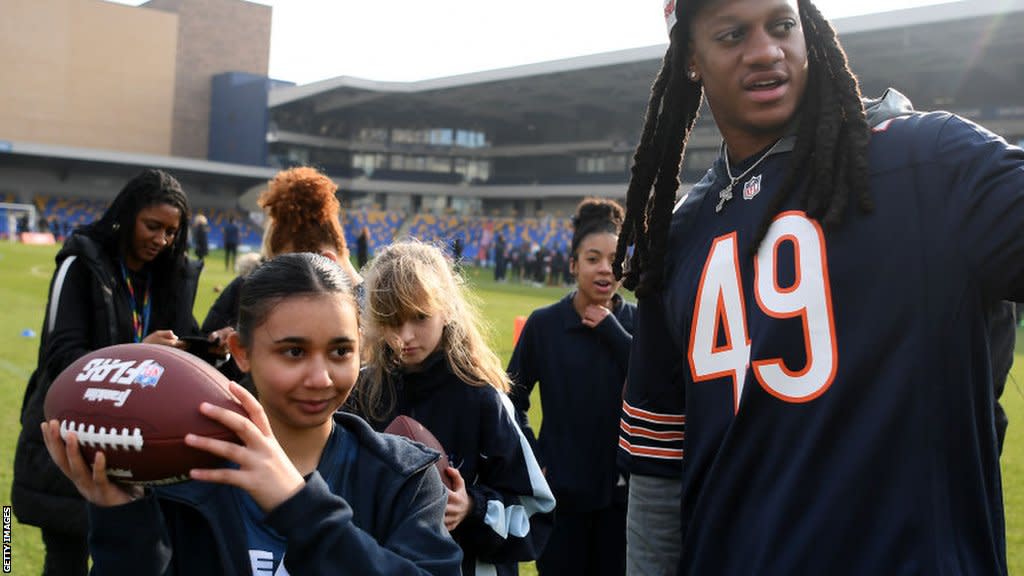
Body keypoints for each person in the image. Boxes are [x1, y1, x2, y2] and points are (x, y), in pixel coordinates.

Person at [614, 1, 1024, 574]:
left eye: (782, 25)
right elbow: (659, 477)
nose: (766, 51)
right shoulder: (676, 238)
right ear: (689, 58)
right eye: (733, 35)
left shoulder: (930, 160)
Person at [42, 253, 463, 575]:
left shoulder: (403, 476)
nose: (320, 377)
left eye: (340, 351)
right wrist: (123, 520)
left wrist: (301, 507)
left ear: (362, 349)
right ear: (242, 353)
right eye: (293, 352)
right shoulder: (178, 471)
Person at [12, 168, 207, 576]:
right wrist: (137, 355)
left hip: (140, 445)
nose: (162, 240)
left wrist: (213, 348)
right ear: (127, 215)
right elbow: (60, 357)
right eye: (152, 226)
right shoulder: (82, 263)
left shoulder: (171, 276)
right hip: (73, 435)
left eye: (172, 232)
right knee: (65, 558)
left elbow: (184, 352)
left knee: (127, 561)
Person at [353, 240, 555, 576]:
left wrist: (472, 508)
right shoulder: (360, 392)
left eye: (419, 317)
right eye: (392, 319)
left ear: (446, 309)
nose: (405, 336)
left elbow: (536, 516)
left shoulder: (482, 398)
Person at [507, 198, 635, 576]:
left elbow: (657, 389)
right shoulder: (544, 325)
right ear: (573, 264)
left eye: (614, 259)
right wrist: (534, 458)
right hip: (561, 494)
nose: (605, 269)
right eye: (593, 258)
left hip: (622, 497)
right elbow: (511, 398)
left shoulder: (640, 323)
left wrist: (615, 333)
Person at [202, 167, 362, 383]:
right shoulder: (248, 291)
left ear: (326, 263)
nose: (320, 380)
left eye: (341, 351)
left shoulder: (389, 324)